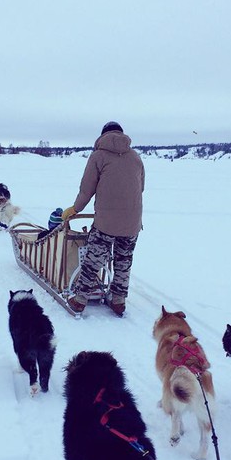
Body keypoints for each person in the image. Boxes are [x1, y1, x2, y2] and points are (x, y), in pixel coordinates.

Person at [62, 121, 145, 316]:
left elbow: (86, 190)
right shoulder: (135, 157)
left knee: (93, 260)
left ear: (102, 136)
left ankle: (80, 299)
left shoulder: (98, 156)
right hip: (132, 220)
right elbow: (140, 188)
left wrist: (75, 209)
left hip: (106, 221)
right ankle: (119, 300)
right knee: (124, 261)